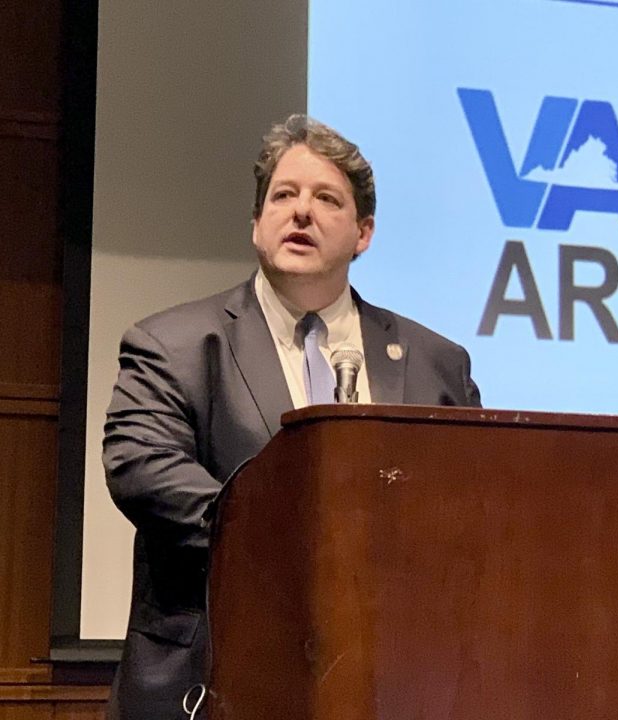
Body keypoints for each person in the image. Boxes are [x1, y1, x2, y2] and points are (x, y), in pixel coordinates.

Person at [103, 114, 481, 720]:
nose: (301, 212)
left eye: (327, 199)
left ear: (363, 233)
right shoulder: (174, 344)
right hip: (211, 681)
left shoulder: (436, 363)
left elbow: (474, 503)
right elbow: (141, 468)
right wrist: (293, 538)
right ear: (257, 224)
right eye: (284, 196)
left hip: (393, 685)